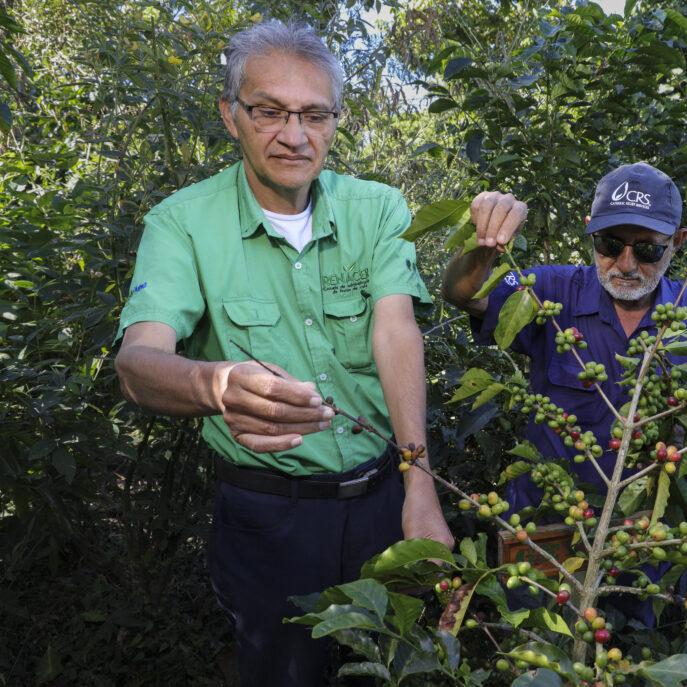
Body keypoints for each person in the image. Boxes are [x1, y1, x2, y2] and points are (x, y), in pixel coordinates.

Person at [114, 20, 452, 686]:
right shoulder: (183, 223)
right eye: (269, 111)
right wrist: (216, 383)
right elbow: (138, 363)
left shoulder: (379, 209)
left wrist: (421, 486)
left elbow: (395, 332)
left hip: (383, 496)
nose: (294, 135)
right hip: (267, 515)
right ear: (230, 115)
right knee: (281, 672)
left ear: (334, 120)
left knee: (396, 664)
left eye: (314, 114)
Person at [441, 162, 687, 513]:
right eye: (610, 244)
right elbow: (463, 294)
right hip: (549, 528)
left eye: (647, 250)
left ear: (677, 242)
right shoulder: (549, 292)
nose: (625, 264)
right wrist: (485, 239)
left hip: (647, 542)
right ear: (591, 233)